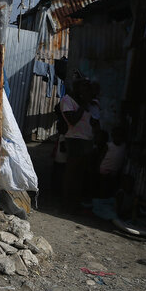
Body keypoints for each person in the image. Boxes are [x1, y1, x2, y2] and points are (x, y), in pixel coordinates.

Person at [59, 79, 96, 210]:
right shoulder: (67, 100)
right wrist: (84, 104)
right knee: (71, 173)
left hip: (86, 140)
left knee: (80, 174)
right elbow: (72, 120)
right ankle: (66, 203)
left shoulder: (85, 103)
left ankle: (74, 203)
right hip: (75, 140)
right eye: (83, 88)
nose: (85, 92)